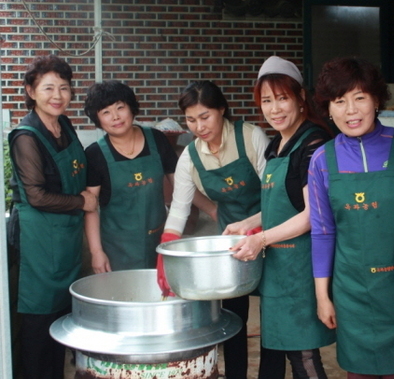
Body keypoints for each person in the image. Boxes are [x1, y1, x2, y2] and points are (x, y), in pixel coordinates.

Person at [309, 57, 394, 379]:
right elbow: (322, 232)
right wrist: (322, 296)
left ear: (376, 100)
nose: (350, 110)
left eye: (359, 97)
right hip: (352, 295)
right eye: (339, 101)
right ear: (328, 109)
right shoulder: (322, 160)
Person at [224, 56, 336, 379]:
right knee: (278, 351)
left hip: (300, 271)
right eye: (267, 101)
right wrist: (248, 224)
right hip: (278, 269)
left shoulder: (313, 142)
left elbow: (313, 215)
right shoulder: (276, 144)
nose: (274, 109)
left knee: (303, 355)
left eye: (282, 98)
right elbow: (282, 202)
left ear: (301, 97)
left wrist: (260, 238)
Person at [161, 80, 269, 379]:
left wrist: (255, 225)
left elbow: (277, 196)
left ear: (222, 109)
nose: (199, 126)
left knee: (273, 320)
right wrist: (165, 250)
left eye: (205, 116)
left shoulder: (250, 137)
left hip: (273, 233)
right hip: (230, 245)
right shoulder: (190, 157)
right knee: (234, 318)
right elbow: (180, 210)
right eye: (191, 119)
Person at [8, 54, 98, 379]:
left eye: (64, 87)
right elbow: (36, 195)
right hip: (38, 246)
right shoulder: (26, 136)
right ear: (31, 91)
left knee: (62, 325)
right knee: (37, 329)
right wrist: (82, 202)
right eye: (48, 88)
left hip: (66, 241)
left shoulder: (64, 124)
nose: (57, 95)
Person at [83, 80, 178, 272]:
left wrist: (175, 232)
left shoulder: (157, 139)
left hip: (159, 241)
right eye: (106, 112)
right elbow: (90, 207)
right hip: (116, 249)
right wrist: (96, 252)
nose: (116, 117)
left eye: (120, 107)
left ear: (131, 108)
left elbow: (179, 188)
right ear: (98, 119)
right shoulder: (95, 154)